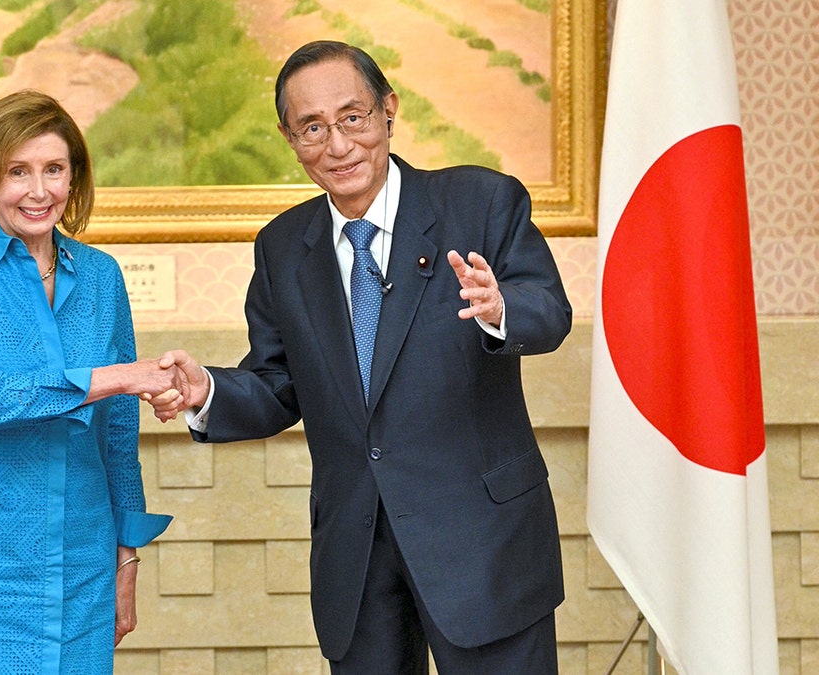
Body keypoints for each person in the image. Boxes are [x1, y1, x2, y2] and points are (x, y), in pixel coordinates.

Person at [153, 41, 572, 673]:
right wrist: (207, 393)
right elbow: (277, 383)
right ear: (289, 139)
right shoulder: (283, 247)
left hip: (482, 545)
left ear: (388, 112)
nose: (338, 145)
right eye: (312, 128)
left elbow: (549, 310)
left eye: (353, 118)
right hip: (358, 556)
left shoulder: (481, 202)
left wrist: (500, 308)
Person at [0, 90, 180, 673]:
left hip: (80, 564)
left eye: (54, 169)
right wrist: (121, 376)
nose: (39, 191)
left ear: (75, 178)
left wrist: (127, 563)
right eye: (18, 172)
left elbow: (119, 439)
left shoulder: (101, 277)